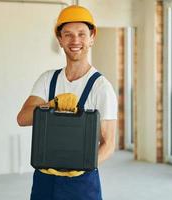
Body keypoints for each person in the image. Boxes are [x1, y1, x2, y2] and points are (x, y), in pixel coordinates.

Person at [17, 5, 118, 200]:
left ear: (92, 37)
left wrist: (83, 165)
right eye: (68, 35)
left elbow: (109, 144)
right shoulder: (48, 80)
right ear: (60, 40)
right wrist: (52, 104)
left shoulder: (101, 88)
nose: (75, 41)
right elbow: (22, 118)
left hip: (81, 183)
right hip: (44, 180)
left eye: (81, 34)